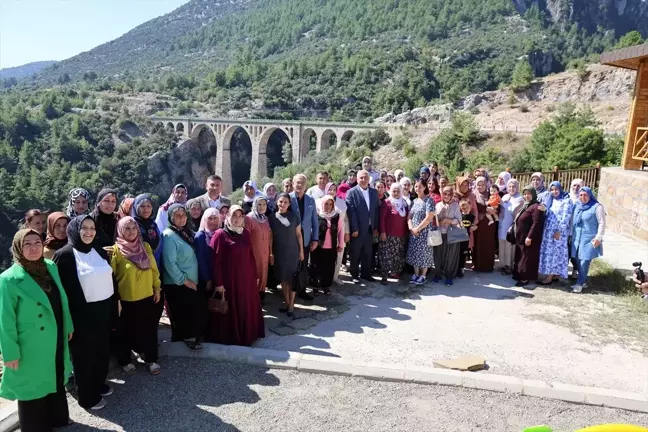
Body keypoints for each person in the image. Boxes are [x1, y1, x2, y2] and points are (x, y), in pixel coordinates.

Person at [0, 229, 75, 431]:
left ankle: (58, 418)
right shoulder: (9, 279)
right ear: (18, 247)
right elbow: (5, 319)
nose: (33, 247)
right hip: (30, 343)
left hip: (56, 333)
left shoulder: (49, 266)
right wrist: (10, 351)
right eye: (27, 244)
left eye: (37, 242)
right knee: (31, 386)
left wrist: (68, 324)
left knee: (56, 374)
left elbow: (62, 299)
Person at [52, 215, 115, 411]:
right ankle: (87, 396)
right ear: (75, 230)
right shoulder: (65, 255)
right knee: (84, 358)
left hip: (103, 312)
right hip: (82, 317)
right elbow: (61, 292)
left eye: (92, 228)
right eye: (84, 228)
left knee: (101, 353)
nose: (89, 232)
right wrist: (68, 321)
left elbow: (110, 278)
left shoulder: (98, 251)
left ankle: (98, 384)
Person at [110, 217, 161, 375]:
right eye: (127, 228)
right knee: (125, 332)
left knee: (149, 330)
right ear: (120, 230)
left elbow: (153, 270)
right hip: (126, 300)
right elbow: (111, 277)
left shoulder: (145, 246)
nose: (131, 232)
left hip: (146, 296)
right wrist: (115, 300)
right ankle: (125, 361)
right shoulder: (116, 250)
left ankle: (151, 359)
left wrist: (157, 288)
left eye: (133, 228)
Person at [210, 205, 265, 346]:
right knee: (233, 308)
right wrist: (219, 283)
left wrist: (255, 274)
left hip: (246, 279)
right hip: (230, 281)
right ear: (228, 216)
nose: (237, 219)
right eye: (234, 215)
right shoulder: (220, 235)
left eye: (241, 216)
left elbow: (250, 255)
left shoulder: (245, 233)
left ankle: (248, 335)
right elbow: (216, 262)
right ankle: (234, 337)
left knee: (247, 306)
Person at [161, 203, 205, 351]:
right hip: (178, 283)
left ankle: (192, 335)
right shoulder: (169, 235)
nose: (181, 218)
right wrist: (184, 280)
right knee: (182, 311)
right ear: (171, 218)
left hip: (190, 281)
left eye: (183, 215)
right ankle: (186, 338)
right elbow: (170, 263)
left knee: (191, 310)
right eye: (177, 216)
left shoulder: (184, 232)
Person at [268, 194, 304, 317]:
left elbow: (299, 234)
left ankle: (291, 305)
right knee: (283, 278)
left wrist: (301, 251)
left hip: (293, 251)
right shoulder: (271, 218)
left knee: (292, 279)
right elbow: (271, 237)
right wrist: (271, 253)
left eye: (285, 202)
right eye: (280, 201)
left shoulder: (294, 216)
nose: (282, 204)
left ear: (289, 204)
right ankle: (287, 302)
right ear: (277, 202)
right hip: (279, 252)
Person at [346, 170, 379, 284]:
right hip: (358, 229)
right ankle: (354, 274)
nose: (364, 180)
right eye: (361, 178)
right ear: (357, 179)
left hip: (370, 229)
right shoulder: (351, 192)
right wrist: (354, 228)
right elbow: (351, 212)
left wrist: (375, 227)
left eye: (366, 178)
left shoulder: (374, 192)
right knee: (355, 253)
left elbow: (375, 210)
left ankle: (366, 274)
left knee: (368, 252)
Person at [570, 187, 605, 293]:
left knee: (584, 261)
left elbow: (602, 223)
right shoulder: (577, 205)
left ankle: (579, 284)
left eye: (585, 195)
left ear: (590, 196)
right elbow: (572, 220)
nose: (583, 197)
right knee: (576, 259)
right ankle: (583, 280)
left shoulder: (597, 207)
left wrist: (599, 237)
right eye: (581, 195)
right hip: (577, 237)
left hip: (589, 238)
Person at [538, 181, 574, 285]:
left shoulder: (567, 201)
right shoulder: (552, 200)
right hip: (548, 231)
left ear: (560, 189)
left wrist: (559, 230)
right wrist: (545, 209)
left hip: (558, 232)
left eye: (556, 189)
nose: (554, 192)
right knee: (550, 253)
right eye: (552, 190)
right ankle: (554, 274)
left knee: (556, 254)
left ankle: (549, 277)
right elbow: (550, 213)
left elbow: (566, 217)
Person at [290, 174, 319, 299]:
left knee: (303, 265)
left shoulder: (310, 200)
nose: (300, 185)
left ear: (306, 185)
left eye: (302, 182)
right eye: (297, 182)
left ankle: (302, 290)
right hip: (291, 238)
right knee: (291, 265)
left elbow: (315, 221)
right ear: (293, 184)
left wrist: (315, 238)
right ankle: (290, 292)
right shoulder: (288, 198)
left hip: (306, 238)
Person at [512, 187, 546, 287]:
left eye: (529, 194)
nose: (526, 196)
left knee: (526, 258)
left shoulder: (536, 207)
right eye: (525, 194)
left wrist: (529, 237)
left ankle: (525, 278)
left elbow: (536, 223)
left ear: (533, 194)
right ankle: (519, 274)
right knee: (521, 256)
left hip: (528, 237)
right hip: (521, 236)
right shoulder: (526, 205)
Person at [311, 195, 344, 295]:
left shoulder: (336, 216)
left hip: (331, 247)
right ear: (322, 204)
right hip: (318, 247)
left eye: (330, 204)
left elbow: (340, 231)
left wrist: (341, 244)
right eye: (326, 204)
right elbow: (313, 230)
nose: (328, 206)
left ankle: (326, 286)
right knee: (317, 267)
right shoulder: (317, 215)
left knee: (329, 268)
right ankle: (316, 286)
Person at [406, 180, 435, 285]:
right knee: (415, 253)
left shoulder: (429, 201)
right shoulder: (414, 201)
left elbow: (429, 218)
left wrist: (417, 229)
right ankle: (416, 274)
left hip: (424, 232)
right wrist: (411, 227)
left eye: (420, 186)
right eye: (416, 186)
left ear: (424, 187)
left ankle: (423, 275)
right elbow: (409, 216)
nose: (417, 188)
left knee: (424, 254)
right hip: (413, 232)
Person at [379, 182, 409, 284]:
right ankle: (384, 276)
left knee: (398, 255)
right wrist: (382, 232)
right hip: (388, 235)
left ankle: (395, 273)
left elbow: (407, 218)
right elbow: (382, 219)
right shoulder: (387, 202)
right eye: (394, 191)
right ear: (390, 192)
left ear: (401, 192)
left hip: (401, 235)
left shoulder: (404, 203)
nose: (396, 193)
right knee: (386, 255)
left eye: (398, 191)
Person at [432, 186, 462, 286]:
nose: (447, 196)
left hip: (452, 233)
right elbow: (434, 219)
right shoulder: (438, 205)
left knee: (451, 255)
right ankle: (438, 274)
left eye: (449, 194)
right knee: (438, 255)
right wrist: (439, 221)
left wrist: (448, 220)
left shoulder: (455, 205)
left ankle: (449, 276)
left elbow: (458, 220)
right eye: (445, 193)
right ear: (441, 194)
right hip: (440, 233)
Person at [244, 196, 272, 300]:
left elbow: (269, 235)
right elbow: (245, 238)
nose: (262, 207)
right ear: (255, 205)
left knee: (263, 272)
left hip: (264, 253)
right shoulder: (249, 218)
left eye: (264, 204)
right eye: (259, 204)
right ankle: (253, 297)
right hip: (253, 254)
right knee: (254, 273)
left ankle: (261, 294)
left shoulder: (265, 219)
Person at [497, 179, 523, 275]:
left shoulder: (520, 198)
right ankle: (502, 264)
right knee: (502, 244)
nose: (512, 188)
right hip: (502, 224)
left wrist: (503, 203)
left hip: (510, 225)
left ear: (517, 187)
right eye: (510, 186)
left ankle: (509, 266)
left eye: (514, 186)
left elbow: (513, 210)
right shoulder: (505, 196)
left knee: (509, 245)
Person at [472, 176, 497, 272]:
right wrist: (485, 209)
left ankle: (488, 266)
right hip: (479, 223)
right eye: (478, 184)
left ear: (486, 185)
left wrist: (494, 210)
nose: (480, 186)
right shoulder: (474, 195)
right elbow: (473, 207)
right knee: (478, 244)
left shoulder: (491, 194)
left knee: (489, 244)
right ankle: (477, 265)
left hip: (490, 224)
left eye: (482, 184)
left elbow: (497, 204)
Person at [328, 183, 350, 284]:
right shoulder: (320, 201)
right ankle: (325, 277)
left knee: (339, 255)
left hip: (340, 232)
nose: (332, 191)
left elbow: (346, 219)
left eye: (334, 189)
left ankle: (335, 277)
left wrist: (347, 233)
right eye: (330, 189)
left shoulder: (342, 202)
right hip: (327, 233)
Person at [195, 208, 220, 295]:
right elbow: (200, 259)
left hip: (219, 277)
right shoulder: (200, 236)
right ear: (205, 219)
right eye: (210, 218)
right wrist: (208, 279)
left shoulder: (221, 234)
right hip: (205, 278)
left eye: (215, 218)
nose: (212, 222)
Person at [567, 178, 585, 278]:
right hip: (567, 229)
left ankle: (576, 269)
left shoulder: (584, 198)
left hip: (578, 230)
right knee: (566, 251)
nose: (576, 188)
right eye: (574, 185)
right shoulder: (567, 197)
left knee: (576, 252)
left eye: (578, 186)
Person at [457, 199, 477, 278]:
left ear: (470, 207)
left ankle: (461, 269)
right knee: (457, 253)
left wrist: (474, 227)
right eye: (463, 208)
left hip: (466, 238)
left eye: (467, 207)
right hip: (458, 238)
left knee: (463, 254)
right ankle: (456, 268)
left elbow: (474, 225)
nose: (465, 209)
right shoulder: (459, 216)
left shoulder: (472, 216)